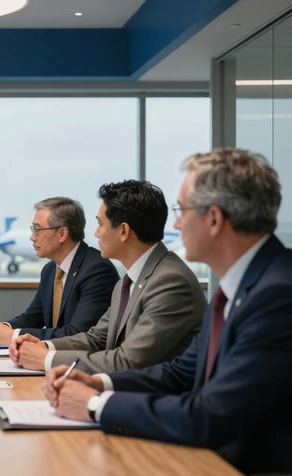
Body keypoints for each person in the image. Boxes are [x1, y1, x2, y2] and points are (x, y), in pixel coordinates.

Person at [44, 148, 292, 474]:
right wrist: (98, 383)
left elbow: (209, 415)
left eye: (182, 210)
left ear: (214, 219)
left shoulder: (277, 294)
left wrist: (94, 405)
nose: (175, 222)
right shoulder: (242, 285)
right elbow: (179, 373)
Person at [10, 180, 205, 373]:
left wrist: (47, 358)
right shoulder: (127, 282)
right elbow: (96, 339)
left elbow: (128, 362)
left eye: (100, 224)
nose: (95, 233)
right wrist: (45, 347)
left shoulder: (170, 282)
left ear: (123, 231)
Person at [0, 197, 118, 346]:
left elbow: (77, 334)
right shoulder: (50, 270)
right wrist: (1, 329)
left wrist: (12, 336)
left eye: (38, 229)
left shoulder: (97, 270)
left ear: (62, 234)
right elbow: (33, 317)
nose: (32, 237)